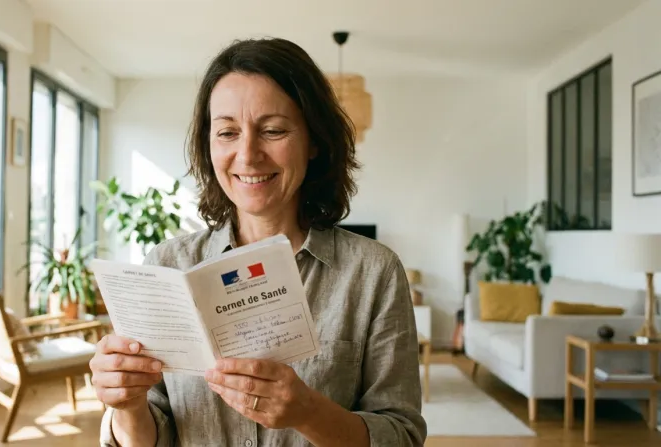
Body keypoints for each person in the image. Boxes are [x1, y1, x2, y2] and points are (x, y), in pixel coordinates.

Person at [93, 37, 427, 447]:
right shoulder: (167, 265)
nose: (248, 155)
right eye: (227, 132)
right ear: (208, 145)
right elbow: (151, 434)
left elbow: (402, 436)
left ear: (314, 141)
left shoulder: (374, 272)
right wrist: (127, 406)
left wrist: (310, 412)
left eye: (272, 130)